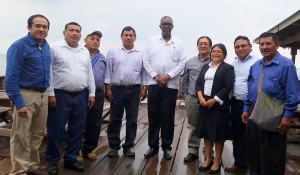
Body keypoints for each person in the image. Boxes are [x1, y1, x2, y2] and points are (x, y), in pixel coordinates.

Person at [241, 32, 300, 175]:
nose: (264, 47)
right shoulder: (255, 66)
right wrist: (245, 108)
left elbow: (293, 93)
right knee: (253, 153)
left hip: (275, 115)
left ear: (277, 45)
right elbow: (250, 90)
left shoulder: (286, 65)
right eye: (262, 44)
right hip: (254, 113)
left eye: (268, 43)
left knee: (273, 156)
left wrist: (287, 116)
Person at [46, 22, 95, 174]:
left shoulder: (84, 51)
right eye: (71, 30)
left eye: (77, 31)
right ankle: (53, 161)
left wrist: (92, 92)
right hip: (60, 95)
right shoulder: (54, 48)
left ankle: (70, 159)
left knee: (77, 129)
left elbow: (89, 73)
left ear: (80, 34)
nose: (74, 33)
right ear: (64, 32)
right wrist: (50, 93)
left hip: (81, 95)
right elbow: (48, 72)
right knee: (56, 129)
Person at [5, 14, 51, 175]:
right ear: (29, 28)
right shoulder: (18, 46)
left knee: (38, 133)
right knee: (21, 136)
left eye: (44, 27)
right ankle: (19, 171)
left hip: (43, 95)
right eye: (37, 26)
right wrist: (19, 103)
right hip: (25, 95)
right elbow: (10, 78)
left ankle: (31, 165)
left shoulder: (45, 46)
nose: (41, 29)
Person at [143, 16, 187, 160]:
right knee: (153, 115)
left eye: (169, 24)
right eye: (164, 24)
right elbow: (146, 60)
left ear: (172, 27)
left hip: (171, 85)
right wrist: (156, 77)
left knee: (168, 116)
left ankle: (167, 147)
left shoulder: (179, 43)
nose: (166, 26)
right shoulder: (151, 41)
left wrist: (167, 76)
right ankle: (153, 147)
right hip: (154, 84)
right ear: (160, 26)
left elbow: (182, 63)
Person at [104, 26, 147, 157]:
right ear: (121, 36)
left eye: (131, 35)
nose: (128, 37)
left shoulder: (141, 52)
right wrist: (108, 87)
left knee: (132, 119)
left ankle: (129, 146)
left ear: (135, 37)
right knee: (114, 119)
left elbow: (144, 72)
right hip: (117, 89)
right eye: (125, 35)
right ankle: (113, 146)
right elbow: (108, 71)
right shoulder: (113, 51)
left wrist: (144, 87)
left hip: (134, 89)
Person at [196, 43, 234, 174]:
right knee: (206, 133)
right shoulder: (205, 67)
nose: (215, 53)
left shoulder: (228, 68)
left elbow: (228, 87)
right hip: (204, 104)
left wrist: (214, 100)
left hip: (219, 106)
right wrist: (200, 97)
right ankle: (208, 159)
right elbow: (198, 83)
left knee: (218, 135)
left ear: (224, 54)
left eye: (219, 51)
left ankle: (217, 161)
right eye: (214, 51)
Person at [224, 36, 259, 173]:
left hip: (254, 103)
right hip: (237, 102)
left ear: (250, 46)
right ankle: (239, 163)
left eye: (243, 46)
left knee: (254, 134)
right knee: (237, 133)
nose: (240, 48)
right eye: (237, 46)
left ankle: (255, 164)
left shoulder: (258, 62)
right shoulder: (233, 64)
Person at [76, 31, 106, 162]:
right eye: (92, 39)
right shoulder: (79, 54)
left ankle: (88, 149)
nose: (95, 41)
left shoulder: (102, 57)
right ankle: (75, 150)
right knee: (78, 121)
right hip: (82, 92)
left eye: (97, 39)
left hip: (98, 93)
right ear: (85, 40)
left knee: (94, 122)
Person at [181, 36, 212, 162]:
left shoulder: (215, 61)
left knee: (209, 126)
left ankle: (209, 153)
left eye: (206, 43)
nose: (203, 46)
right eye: (200, 43)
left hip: (210, 100)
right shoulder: (190, 62)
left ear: (210, 46)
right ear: (197, 46)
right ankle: (193, 151)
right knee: (194, 125)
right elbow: (185, 80)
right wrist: (186, 95)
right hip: (192, 98)